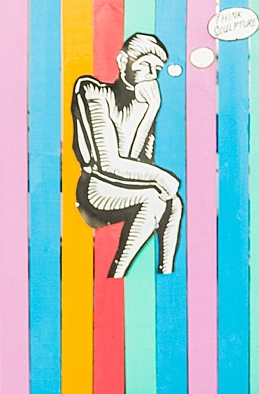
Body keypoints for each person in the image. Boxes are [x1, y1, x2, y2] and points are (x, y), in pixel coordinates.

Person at [70, 32, 183, 278]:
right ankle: (118, 275)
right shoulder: (93, 92)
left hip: (123, 185)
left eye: (157, 69)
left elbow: (135, 159)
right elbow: (109, 164)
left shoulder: (142, 103)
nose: (152, 74)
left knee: (173, 203)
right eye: (145, 65)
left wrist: (151, 110)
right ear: (123, 62)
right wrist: (162, 178)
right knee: (155, 198)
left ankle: (166, 274)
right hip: (96, 188)